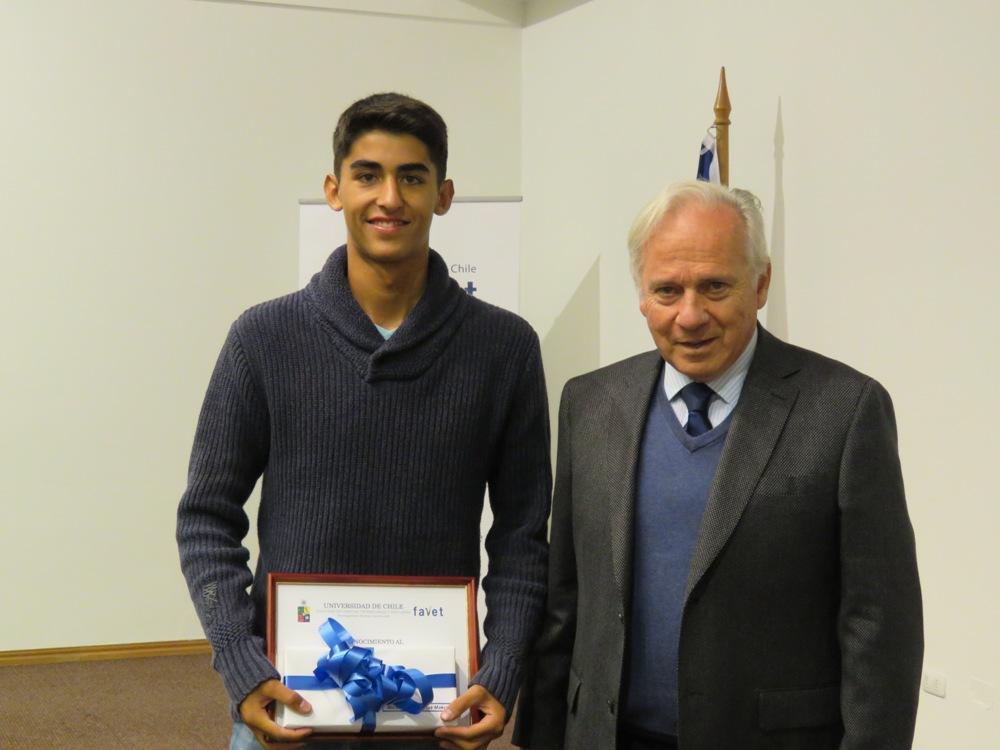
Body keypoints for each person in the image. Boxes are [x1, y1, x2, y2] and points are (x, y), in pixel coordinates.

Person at [177, 92, 551, 750]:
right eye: (367, 175)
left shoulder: (505, 348)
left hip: (434, 706)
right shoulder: (263, 339)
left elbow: (522, 536)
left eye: (412, 177)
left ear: (443, 195)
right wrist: (240, 660)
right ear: (334, 189)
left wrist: (504, 668)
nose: (389, 198)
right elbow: (206, 516)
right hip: (284, 701)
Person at [513, 180, 923, 750]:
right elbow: (567, 602)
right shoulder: (589, 404)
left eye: (714, 287)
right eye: (666, 290)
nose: (689, 315)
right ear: (641, 294)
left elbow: (879, 627)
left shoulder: (844, 411)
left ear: (760, 284)